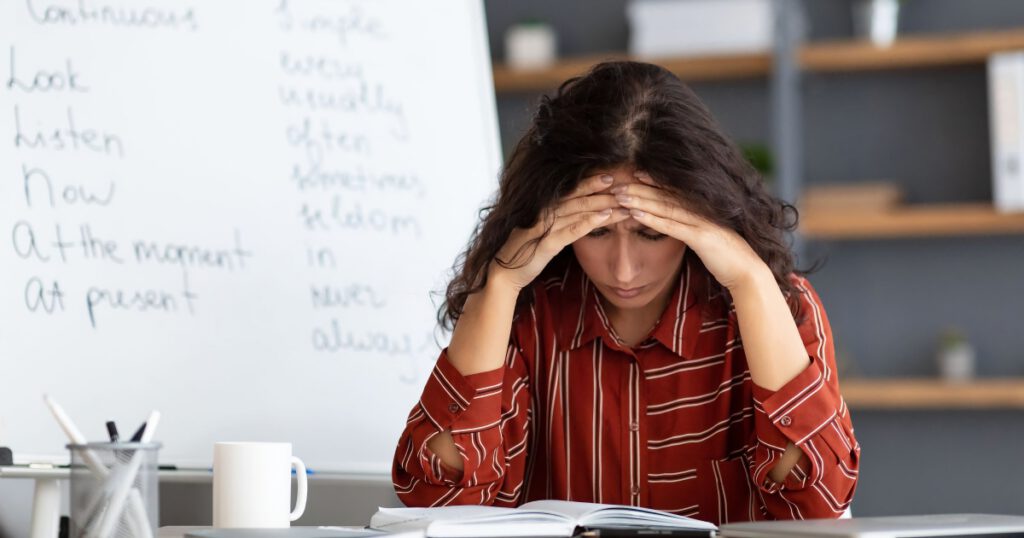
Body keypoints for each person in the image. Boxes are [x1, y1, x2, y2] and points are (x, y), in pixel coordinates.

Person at [392, 61, 859, 523]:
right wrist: (500, 282)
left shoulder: (779, 305)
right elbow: (439, 503)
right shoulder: (526, 312)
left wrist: (749, 279)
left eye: (651, 233)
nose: (623, 269)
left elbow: (815, 508)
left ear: (704, 218)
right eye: (594, 233)